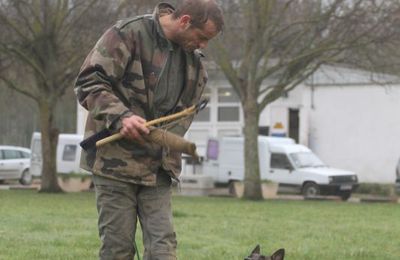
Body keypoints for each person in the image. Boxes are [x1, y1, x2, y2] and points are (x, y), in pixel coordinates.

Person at [74, 1, 224, 259]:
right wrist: (121, 117)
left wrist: (167, 145)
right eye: (201, 37)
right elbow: (89, 81)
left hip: (158, 169)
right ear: (185, 21)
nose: (203, 45)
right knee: (117, 249)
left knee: (163, 249)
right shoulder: (128, 34)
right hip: (115, 165)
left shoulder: (195, 66)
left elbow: (185, 115)